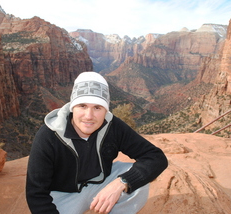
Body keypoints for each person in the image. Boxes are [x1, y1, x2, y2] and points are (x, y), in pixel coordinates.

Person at [26, 71, 168, 214]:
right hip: (63, 195)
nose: (89, 116)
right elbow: (36, 193)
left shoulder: (113, 126)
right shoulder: (49, 135)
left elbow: (156, 157)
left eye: (97, 108)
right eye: (82, 105)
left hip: (100, 184)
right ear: (72, 106)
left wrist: (121, 183)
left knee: (136, 182)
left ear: (105, 110)